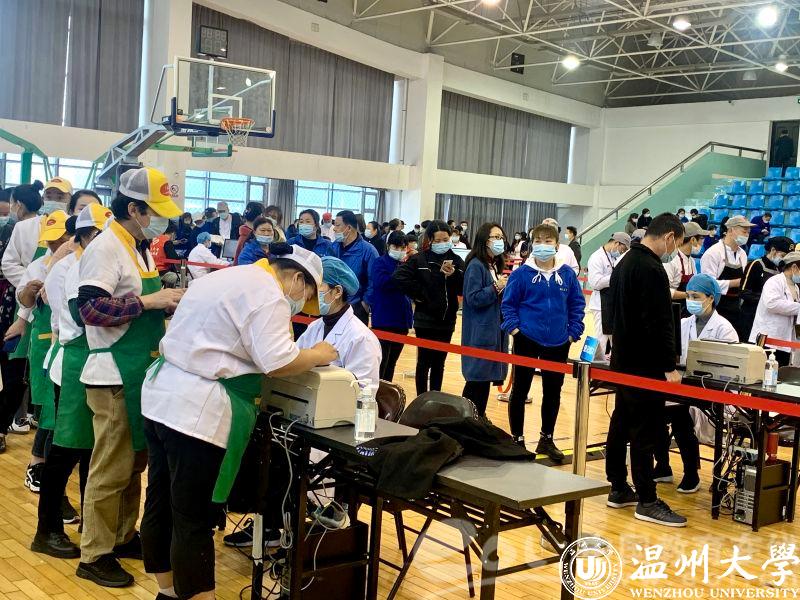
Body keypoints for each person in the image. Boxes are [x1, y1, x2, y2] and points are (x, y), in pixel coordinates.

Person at [139, 245, 336, 600]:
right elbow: (277, 361)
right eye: (305, 295)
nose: (299, 303)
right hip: (196, 412)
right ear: (297, 278)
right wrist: (317, 355)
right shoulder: (269, 294)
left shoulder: (226, 276)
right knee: (193, 517)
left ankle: (167, 592)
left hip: (160, 399)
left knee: (160, 503)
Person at [75, 166, 185, 588]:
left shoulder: (138, 247)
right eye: (154, 212)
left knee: (133, 463)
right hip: (113, 375)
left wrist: (165, 302)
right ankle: (94, 553)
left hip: (139, 371)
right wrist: (148, 302)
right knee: (110, 467)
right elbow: (90, 309)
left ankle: (122, 536)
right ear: (135, 209)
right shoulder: (106, 247)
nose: (161, 222)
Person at [31, 203, 111, 559]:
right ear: (84, 236)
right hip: (73, 364)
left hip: (92, 363)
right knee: (64, 452)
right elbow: (81, 318)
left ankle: (91, 525)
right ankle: (46, 529)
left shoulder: (91, 263)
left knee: (92, 453)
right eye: (100, 236)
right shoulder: (68, 268)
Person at [605, 212, 687, 527]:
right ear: (669, 237)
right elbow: (659, 322)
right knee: (645, 430)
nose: (674, 251)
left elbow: (613, 313)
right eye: (677, 244)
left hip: (623, 358)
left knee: (621, 423)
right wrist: (668, 365)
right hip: (645, 364)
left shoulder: (624, 262)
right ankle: (647, 499)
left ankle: (618, 486)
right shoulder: (652, 269)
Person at [501, 223, 585, 458]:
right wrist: (515, 330)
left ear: (557, 246)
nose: (543, 245)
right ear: (531, 245)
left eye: (548, 241)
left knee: (553, 392)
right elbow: (508, 305)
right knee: (520, 389)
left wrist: (572, 333)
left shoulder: (567, 274)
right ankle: (517, 439)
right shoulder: (521, 274)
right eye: (538, 241)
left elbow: (577, 305)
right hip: (526, 339)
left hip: (559, 342)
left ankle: (546, 438)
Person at [654, 274, 738, 494]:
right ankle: (662, 466)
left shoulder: (724, 328)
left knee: (680, 415)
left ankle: (692, 473)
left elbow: (730, 369)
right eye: (689, 296)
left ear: (711, 298)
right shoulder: (683, 323)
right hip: (684, 387)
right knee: (655, 410)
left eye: (696, 296)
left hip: (714, 393)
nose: (691, 301)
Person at [17, 211, 72, 495]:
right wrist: (29, 290)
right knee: (49, 412)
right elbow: (23, 302)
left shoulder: (83, 263)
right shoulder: (39, 266)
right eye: (50, 241)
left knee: (61, 414)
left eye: (60, 239)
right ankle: (37, 465)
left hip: (70, 346)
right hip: (46, 342)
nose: (55, 245)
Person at [393, 220, 464, 395]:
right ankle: (421, 398)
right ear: (430, 240)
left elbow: (463, 287)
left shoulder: (457, 261)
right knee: (423, 362)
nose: (442, 243)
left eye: (445, 239)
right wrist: (420, 294)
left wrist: (454, 275)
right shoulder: (419, 259)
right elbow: (399, 277)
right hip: (425, 320)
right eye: (437, 240)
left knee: (439, 363)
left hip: (447, 320)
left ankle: (435, 398)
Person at [297, 256, 381, 383]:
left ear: (337, 291)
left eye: (317, 286)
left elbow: (362, 389)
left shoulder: (362, 338)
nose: (311, 292)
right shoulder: (314, 327)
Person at [461, 223, 509, 416]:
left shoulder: (493, 264)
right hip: (480, 331)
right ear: (484, 240)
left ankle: (479, 417)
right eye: (495, 237)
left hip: (493, 330)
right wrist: (496, 288)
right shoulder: (476, 265)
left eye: (501, 237)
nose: (500, 241)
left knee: (484, 380)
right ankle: (468, 419)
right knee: (476, 381)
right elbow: (473, 298)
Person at [366, 231, 413, 382]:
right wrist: (402, 276)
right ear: (388, 246)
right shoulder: (380, 262)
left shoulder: (406, 264)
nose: (399, 250)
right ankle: (377, 390)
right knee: (381, 362)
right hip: (384, 319)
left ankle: (387, 391)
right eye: (396, 247)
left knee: (392, 362)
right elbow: (382, 283)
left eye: (403, 247)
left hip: (402, 319)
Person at [700, 215, 753, 334]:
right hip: (717, 307)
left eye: (748, 233)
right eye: (744, 232)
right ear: (731, 230)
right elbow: (707, 285)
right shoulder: (713, 253)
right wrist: (734, 283)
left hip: (736, 307)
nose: (746, 235)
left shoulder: (742, 254)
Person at [749, 251, 800, 366]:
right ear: (794, 267)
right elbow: (771, 304)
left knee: (780, 372)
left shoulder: (796, 287)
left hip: (785, 341)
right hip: (767, 339)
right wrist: (798, 307)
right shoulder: (774, 282)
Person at [329, 210, 378, 325]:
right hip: (333, 305)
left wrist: (364, 304)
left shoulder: (368, 251)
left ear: (349, 228)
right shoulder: (333, 247)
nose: (334, 229)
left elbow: (374, 281)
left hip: (356, 307)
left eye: (337, 225)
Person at [587, 233, 631, 360]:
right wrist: (615, 277)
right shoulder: (596, 257)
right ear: (616, 243)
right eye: (622, 249)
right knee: (600, 337)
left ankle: (614, 362)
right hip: (600, 304)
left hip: (610, 303)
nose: (621, 252)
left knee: (614, 336)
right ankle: (593, 363)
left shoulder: (612, 257)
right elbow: (595, 283)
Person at [741, 236, 793, 339]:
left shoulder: (780, 270)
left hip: (769, 319)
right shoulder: (756, 264)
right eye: (782, 255)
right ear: (773, 250)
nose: (783, 259)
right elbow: (743, 291)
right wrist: (765, 300)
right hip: (750, 315)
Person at [663, 222, 709, 306]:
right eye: (701, 238)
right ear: (693, 240)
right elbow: (664, 291)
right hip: (671, 307)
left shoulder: (691, 261)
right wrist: (689, 295)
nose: (703, 242)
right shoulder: (671, 261)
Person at [150, 221, 180, 288]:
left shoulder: (155, 240)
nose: (175, 238)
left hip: (153, 271)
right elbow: (174, 258)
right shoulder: (167, 242)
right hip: (163, 272)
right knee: (184, 279)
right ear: (173, 233)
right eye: (175, 235)